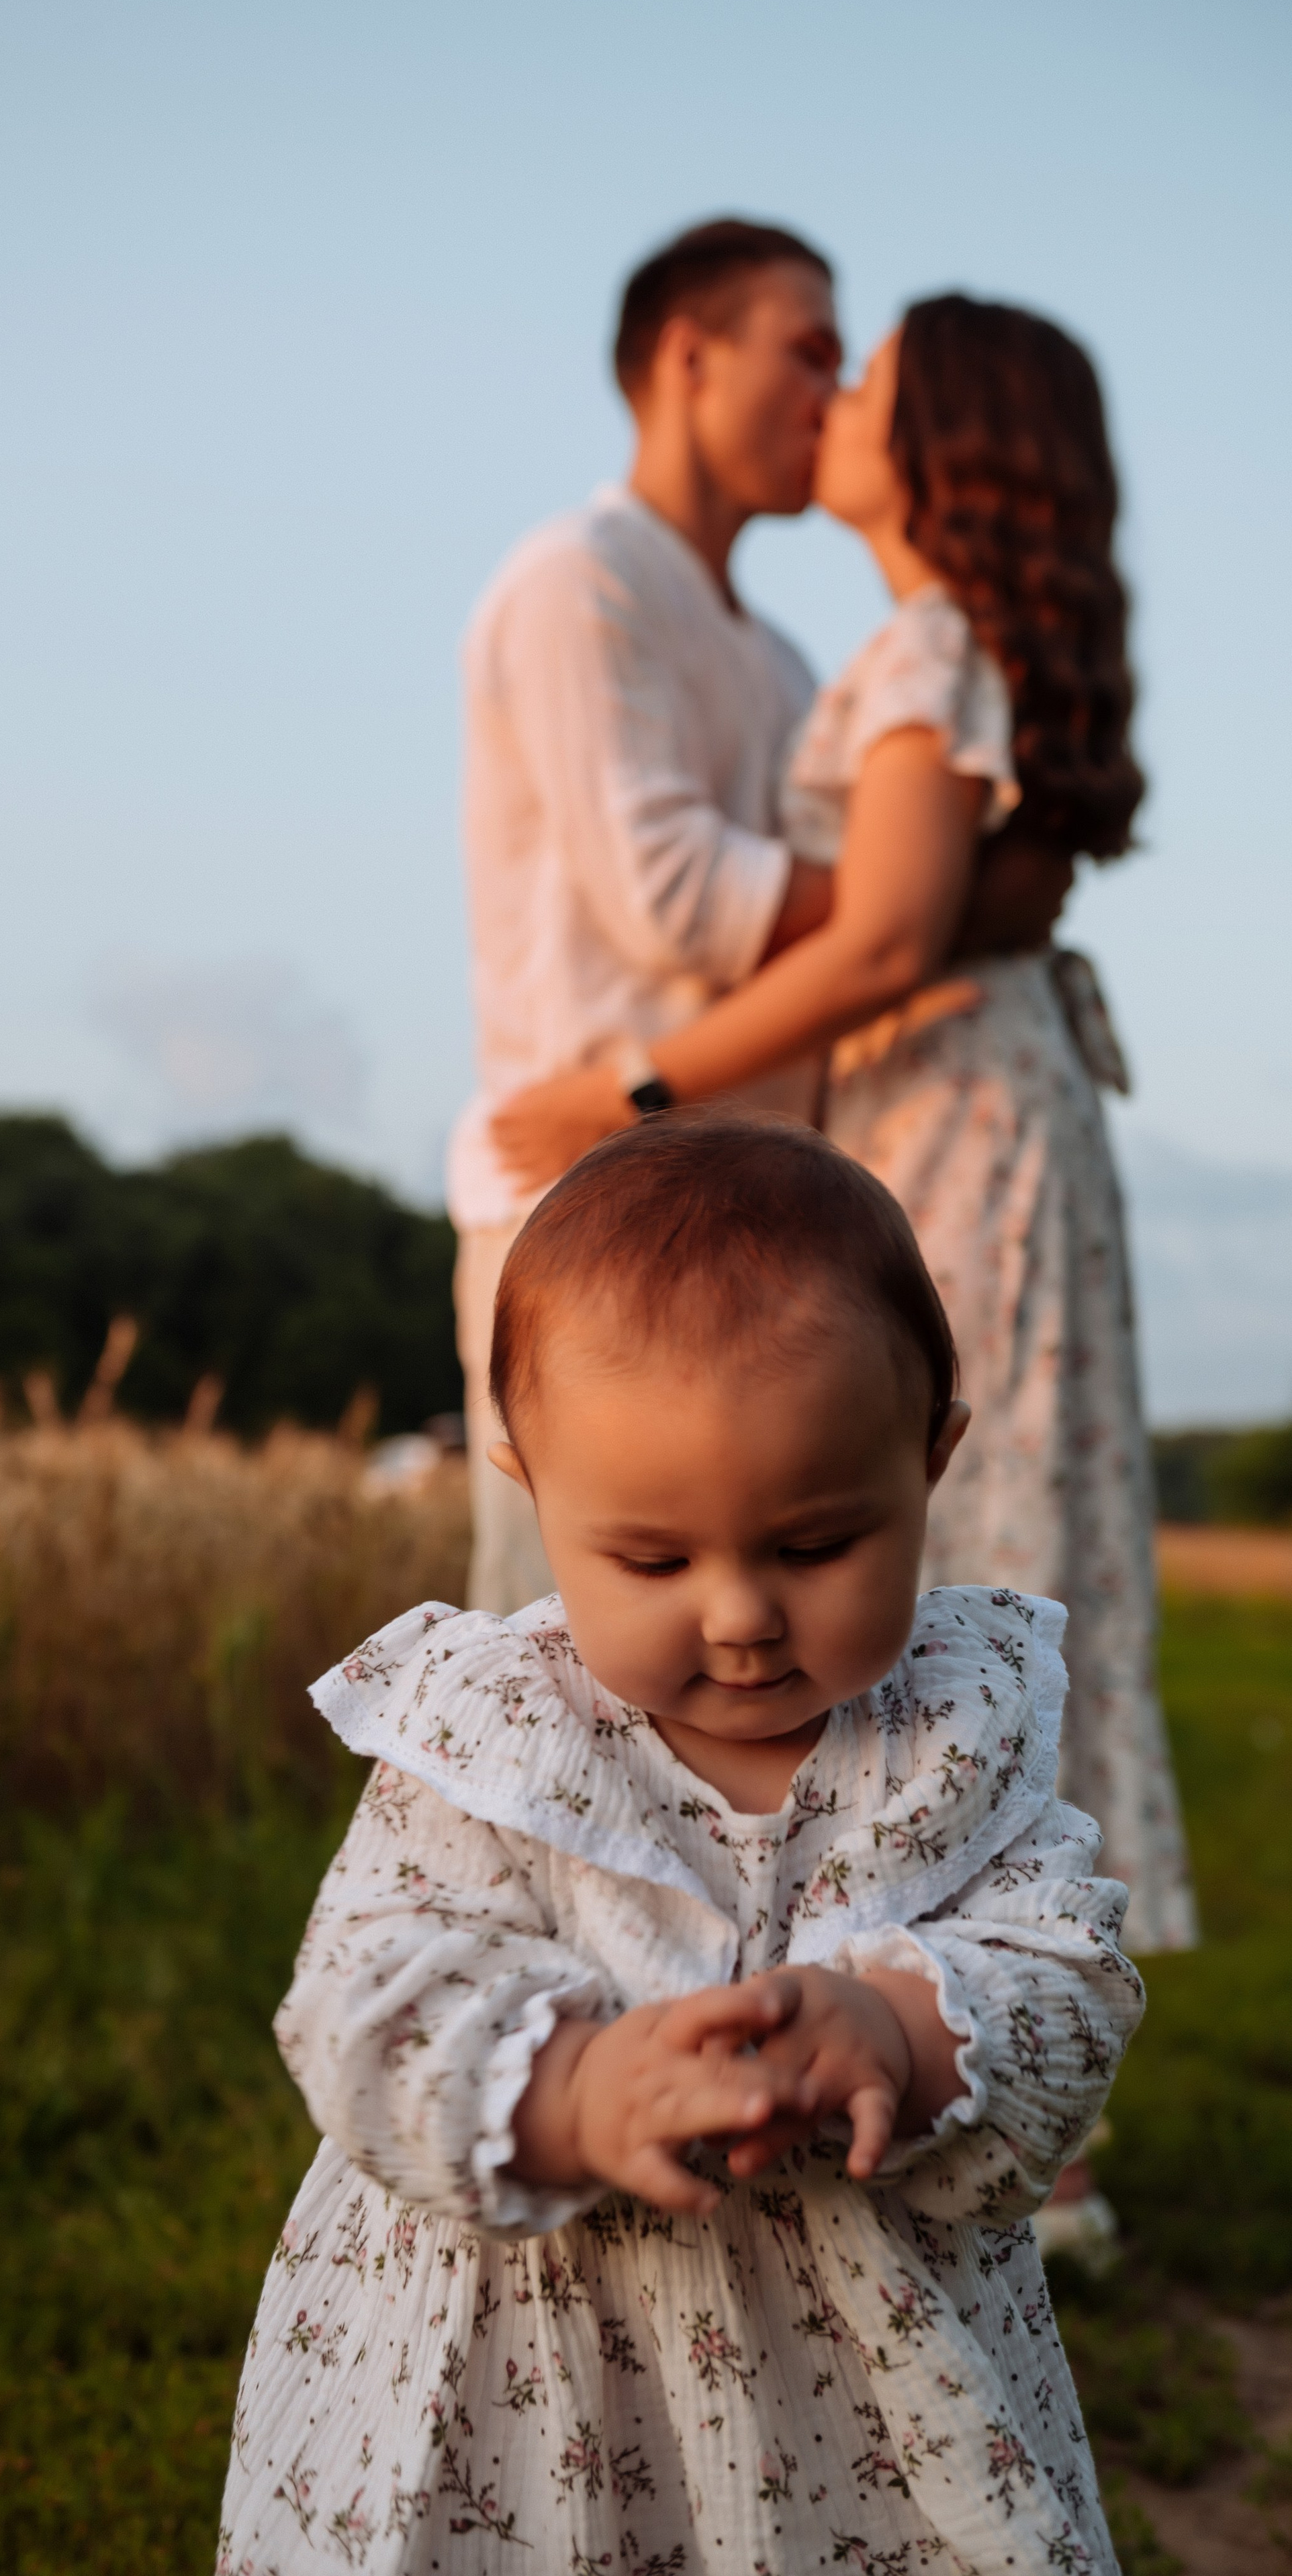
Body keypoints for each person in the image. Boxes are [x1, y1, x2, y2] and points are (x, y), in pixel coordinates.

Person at [218, 1117, 1142, 2576]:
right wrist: (574, 2088)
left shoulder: (954, 1733)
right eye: (650, 1559)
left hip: (860, 2397)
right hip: (523, 2374)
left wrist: (901, 2030)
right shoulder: (491, 1737)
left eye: (814, 1542)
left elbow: (1068, 1974)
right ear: (532, 1494)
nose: (737, 1614)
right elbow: (360, 2000)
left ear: (929, 1461)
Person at [492, 296, 1195, 1963]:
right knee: (986, 1514)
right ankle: (976, 1981)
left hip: (950, 1114)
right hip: (985, 1099)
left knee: (961, 1539)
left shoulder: (925, 647)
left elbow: (881, 938)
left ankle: (987, 1995)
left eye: (867, 377)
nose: (838, 398)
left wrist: (636, 1091)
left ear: (941, 439)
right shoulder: (935, 645)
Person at [452, 226, 1070, 1622]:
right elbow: (664, 886)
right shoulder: (581, 577)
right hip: (587, 1178)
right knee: (562, 1652)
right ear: (687, 356)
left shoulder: (783, 655)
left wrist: (903, 907)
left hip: (755, 1206)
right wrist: (908, 906)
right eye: (804, 348)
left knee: (751, 1678)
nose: (829, 390)